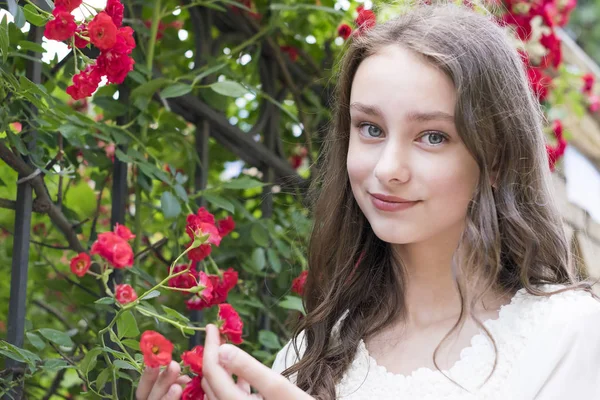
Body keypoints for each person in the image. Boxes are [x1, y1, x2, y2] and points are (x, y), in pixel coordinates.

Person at [136, 2, 600, 399]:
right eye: (371, 129)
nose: (386, 168)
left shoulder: (569, 334)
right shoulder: (310, 354)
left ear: (496, 158)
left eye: (432, 136)